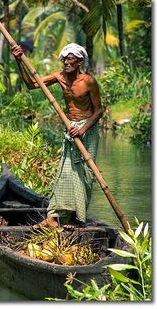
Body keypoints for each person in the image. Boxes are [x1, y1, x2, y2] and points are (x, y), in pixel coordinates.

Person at [12, 43, 103, 228]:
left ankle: (77, 219)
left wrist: (83, 129)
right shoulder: (59, 76)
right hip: (71, 128)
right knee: (66, 171)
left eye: (70, 60)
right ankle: (54, 216)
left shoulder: (89, 81)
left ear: (79, 62)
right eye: (64, 60)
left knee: (86, 174)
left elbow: (99, 111)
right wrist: (19, 60)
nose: (66, 63)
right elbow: (31, 84)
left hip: (88, 129)